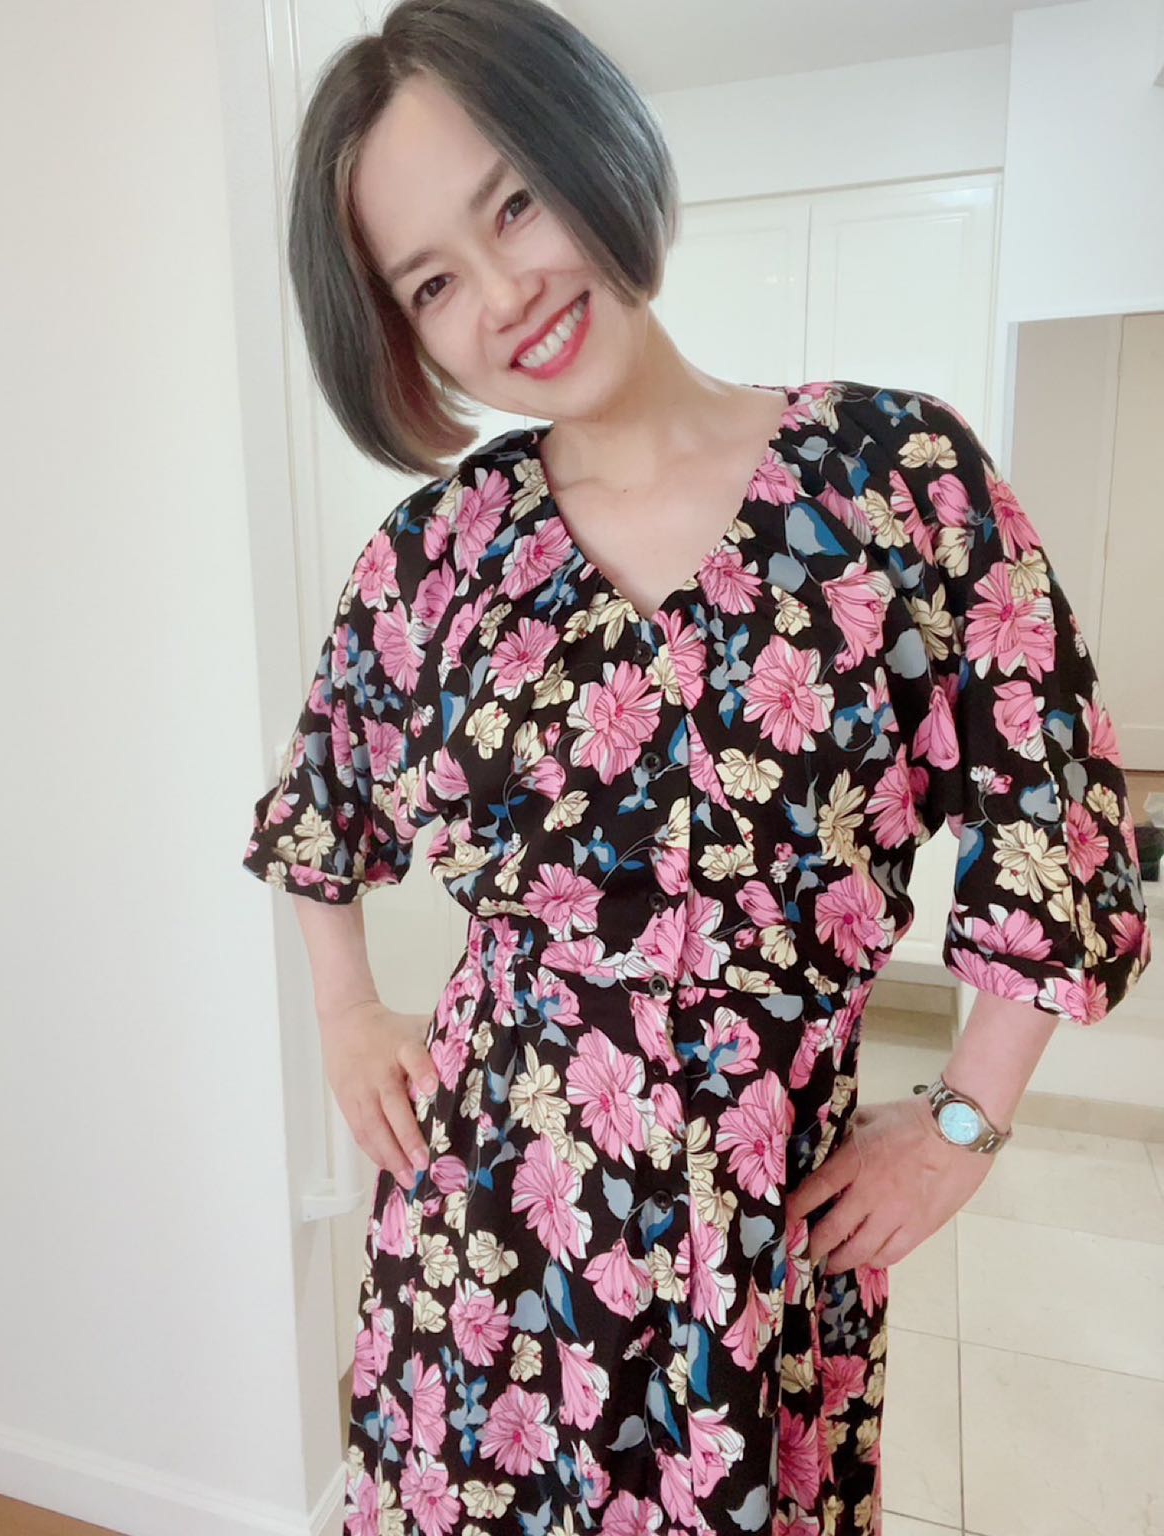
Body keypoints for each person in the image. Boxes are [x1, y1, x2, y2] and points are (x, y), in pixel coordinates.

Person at [240, 1, 1152, 1530]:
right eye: (432, 281)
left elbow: (1055, 813)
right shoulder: (434, 555)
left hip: (767, 1242)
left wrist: (964, 1126)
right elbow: (317, 805)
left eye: (512, 204)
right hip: (486, 1250)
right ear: (401, 332)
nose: (507, 294)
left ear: (587, 150)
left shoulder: (895, 481)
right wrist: (345, 1016)